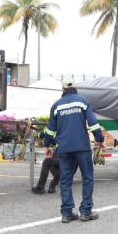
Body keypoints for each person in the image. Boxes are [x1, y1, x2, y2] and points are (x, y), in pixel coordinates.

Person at [44, 79, 105, 223]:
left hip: (64, 149)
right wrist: (100, 139)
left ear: (63, 88)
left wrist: (48, 145)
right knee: (87, 178)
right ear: (75, 87)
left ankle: (66, 214)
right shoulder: (83, 101)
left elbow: (50, 129)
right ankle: (85, 212)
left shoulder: (56, 106)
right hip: (82, 147)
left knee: (65, 180)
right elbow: (93, 123)